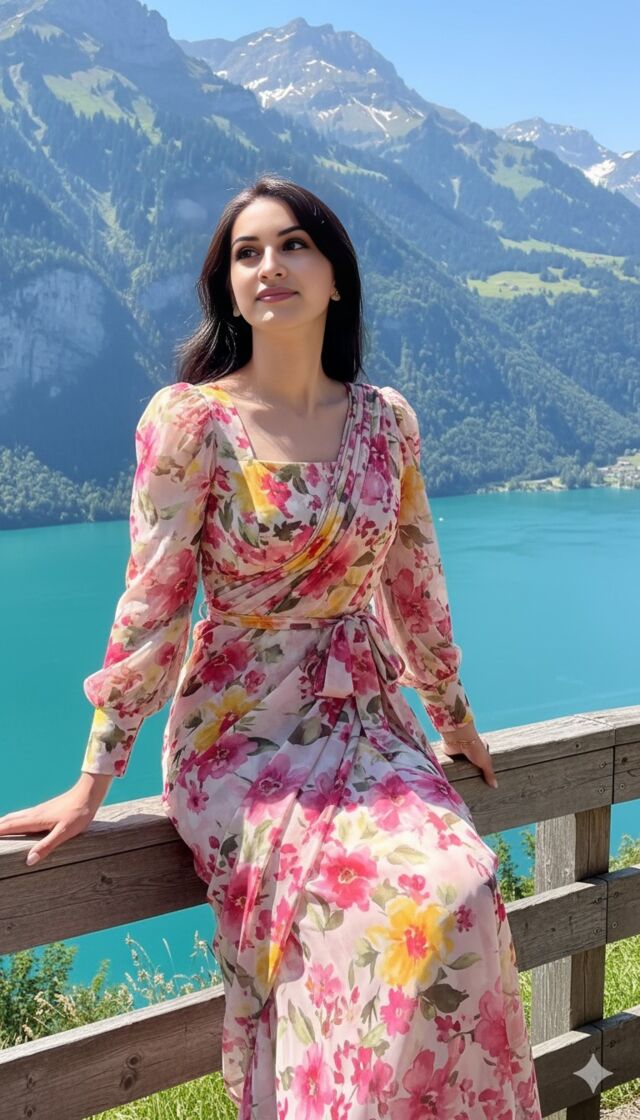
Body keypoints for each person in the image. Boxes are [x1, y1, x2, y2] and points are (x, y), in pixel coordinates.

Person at [0, 175, 542, 1119]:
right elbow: (153, 606)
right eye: (246, 253)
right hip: (241, 736)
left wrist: (453, 719)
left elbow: (414, 586)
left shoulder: (387, 423)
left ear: (336, 276)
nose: (270, 266)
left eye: (294, 245)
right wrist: (95, 777)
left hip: (370, 725)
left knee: (460, 888)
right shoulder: (191, 422)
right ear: (228, 286)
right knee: (382, 912)